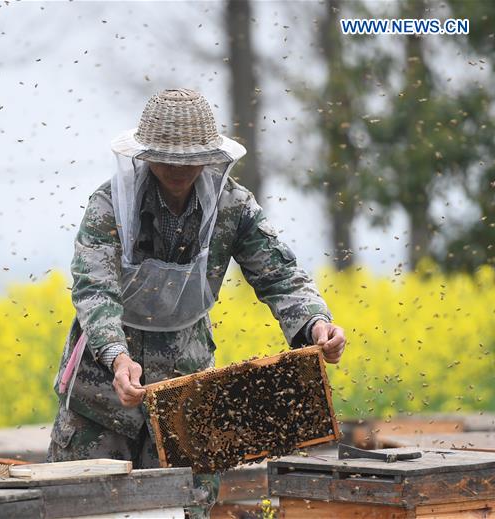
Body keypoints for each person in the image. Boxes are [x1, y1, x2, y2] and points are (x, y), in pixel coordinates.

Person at [48, 89, 346, 518]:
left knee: (186, 508)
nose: (177, 169)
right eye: (167, 158)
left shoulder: (234, 207)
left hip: (187, 392)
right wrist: (116, 356)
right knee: (83, 507)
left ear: (209, 157)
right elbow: (95, 289)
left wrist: (316, 322)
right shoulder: (110, 205)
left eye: (188, 160)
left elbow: (280, 275)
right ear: (146, 155)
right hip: (101, 392)